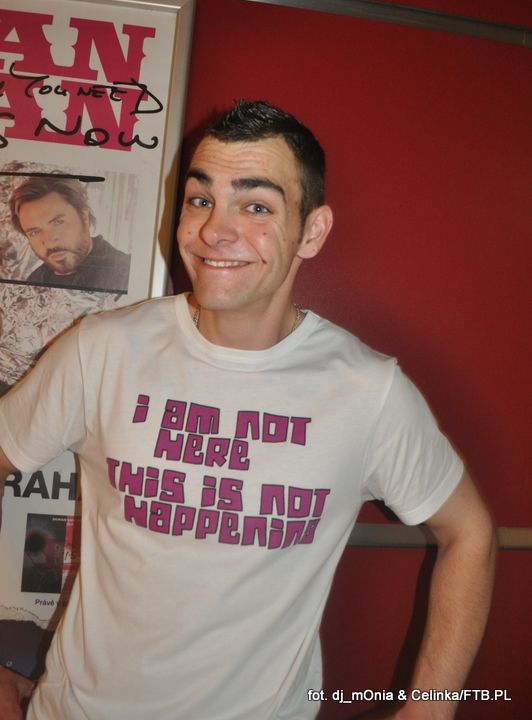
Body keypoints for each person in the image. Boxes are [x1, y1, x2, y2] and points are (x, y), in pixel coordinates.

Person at [0, 101, 495, 720]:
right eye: (201, 199)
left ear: (312, 231)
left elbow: (469, 534)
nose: (214, 230)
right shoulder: (102, 348)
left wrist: (431, 709)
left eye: (256, 206)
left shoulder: (368, 391)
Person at [9, 176, 131, 292]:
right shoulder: (35, 280)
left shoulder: (126, 273)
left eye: (58, 222)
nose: (50, 243)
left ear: (84, 217)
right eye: (35, 232)